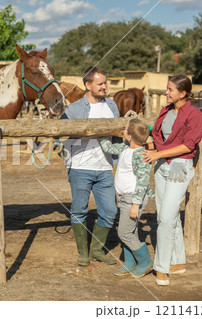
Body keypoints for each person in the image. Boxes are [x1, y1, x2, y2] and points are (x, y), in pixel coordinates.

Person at [142, 74, 202, 286]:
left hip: (179, 166)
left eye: (170, 90)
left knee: (167, 217)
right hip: (160, 166)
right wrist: (151, 145)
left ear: (183, 93)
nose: (166, 92)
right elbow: (160, 136)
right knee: (165, 214)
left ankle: (162, 267)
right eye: (166, 89)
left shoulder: (195, 116)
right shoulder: (166, 111)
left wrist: (158, 155)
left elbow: (188, 146)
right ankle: (178, 261)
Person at [60, 66, 119, 266]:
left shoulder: (112, 106)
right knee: (79, 209)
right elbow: (59, 132)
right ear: (88, 85)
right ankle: (83, 253)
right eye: (100, 83)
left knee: (110, 210)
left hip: (104, 167)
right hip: (80, 166)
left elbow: (118, 133)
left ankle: (96, 250)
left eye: (105, 82)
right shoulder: (74, 108)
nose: (104, 86)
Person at [99, 119, 154, 278]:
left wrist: (136, 205)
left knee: (124, 233)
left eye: (124, 129)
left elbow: (143, 182)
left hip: (133, 199)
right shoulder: (124, 148)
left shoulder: (141, 155)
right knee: (131, 231)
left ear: (129, 136)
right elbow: (108, 147)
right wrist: (99, 133)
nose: (122, 130)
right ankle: (130, 263)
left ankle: (145, 262)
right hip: (124, 197)